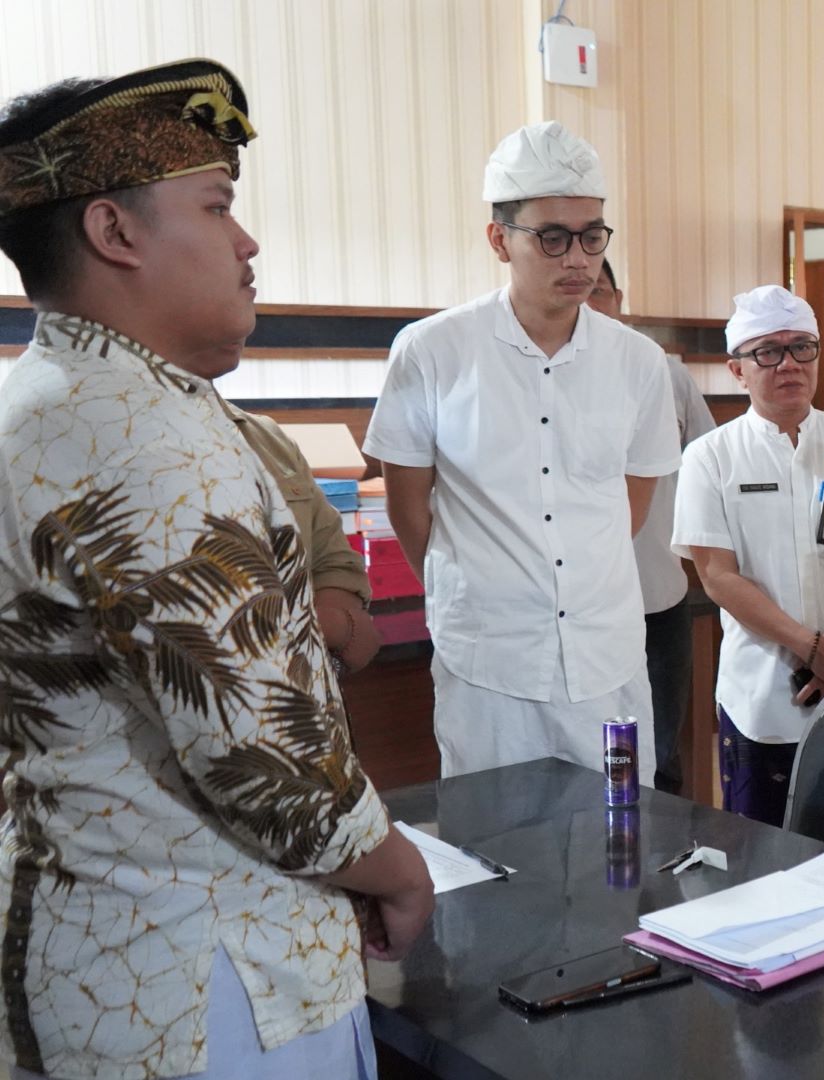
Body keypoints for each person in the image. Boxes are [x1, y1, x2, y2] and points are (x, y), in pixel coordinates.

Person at [0, 60, 430, 1079]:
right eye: (218, 206)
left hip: (88, 936)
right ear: (116, 232)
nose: (248, 243)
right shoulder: (153, 438)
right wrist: (396, 868)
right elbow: (268, 766)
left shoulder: (41, 402)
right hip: (208, 974)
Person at [362, 122, 680, 779]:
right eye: (553, 238)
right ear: (499, 239)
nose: (578, 260)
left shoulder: (639, 363)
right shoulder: (432, 352)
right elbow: (408, 508)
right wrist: (482, 590)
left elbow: (631, 508)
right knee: (496, 855)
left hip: (605, 659)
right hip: (489, 666)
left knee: (616, 849)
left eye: (592, 236)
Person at [672, 286, 824, 824]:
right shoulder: (710, 457)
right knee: (765, 857)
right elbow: (717, 575)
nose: (788, 364)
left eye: (802, 347)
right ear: (737, 370)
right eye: (767, 351)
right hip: (763, 691)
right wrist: (811, 648)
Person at [586, 261, 716, 794]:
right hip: (582, 608)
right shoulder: (533, 380)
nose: (590, 305)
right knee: (594, 759)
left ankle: (661, 867)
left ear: (619, 299)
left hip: (658, 595)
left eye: (600, 292)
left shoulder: (665, 372)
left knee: (661, 754)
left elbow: (708, 466)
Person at [222, 406, 382, 673]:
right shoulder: (136, 432)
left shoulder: (267, 436)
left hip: (308, 691)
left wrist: (338, 625)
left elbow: (333, 562)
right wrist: (330, 628)